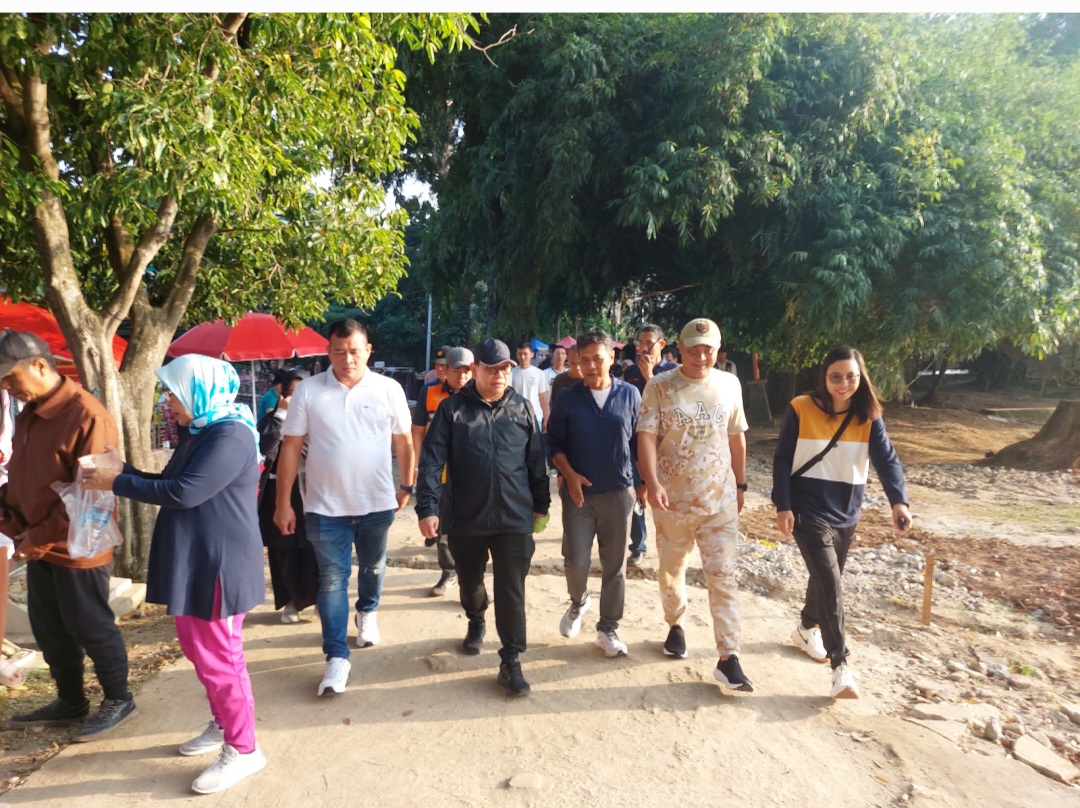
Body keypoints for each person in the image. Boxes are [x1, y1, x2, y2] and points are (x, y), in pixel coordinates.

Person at [80, 354, 266, 793]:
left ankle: (244, 748)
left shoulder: (230, 435)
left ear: (198, 392)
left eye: (174, 393)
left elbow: (183, 493)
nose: (168, 402)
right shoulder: (200, 431)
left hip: (218, 566)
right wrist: (121, 470)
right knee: (200, 651)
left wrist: (115, 482)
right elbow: (167, 480)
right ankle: (226, 723)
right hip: (197, 560)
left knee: (221, 660)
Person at [0, 329, 137, 739]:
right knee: (49, 627)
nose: (6, 387)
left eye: (9, 377)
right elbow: (24, 474)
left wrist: (35, 538)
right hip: (37, 540)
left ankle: (119, 698)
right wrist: (11, 516)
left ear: (40, 366)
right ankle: (71, 700)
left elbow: (91, 495)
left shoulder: (87, 415)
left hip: (78, 542)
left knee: (89, 623)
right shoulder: (29, 410)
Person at [273, 319, 414, 697]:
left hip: (376, 502)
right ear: (328, 352)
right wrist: (283, 502)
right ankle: (336, 657)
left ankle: (367, 611)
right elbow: (290, 448)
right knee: (332, 580)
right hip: (324, 506)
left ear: (368, 351)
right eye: (339, 351)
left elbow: (403, 440)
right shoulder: (309, 392)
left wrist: (407, 484)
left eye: (354, 351)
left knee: (373, 566)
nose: (347, 359)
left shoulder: (388, 389)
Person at [771, 345, 912, 699]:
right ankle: (841, 666)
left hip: (847, 510)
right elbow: (782, 458)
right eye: (835, 377)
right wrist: (783, 505)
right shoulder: (800, 407)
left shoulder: (869, 416)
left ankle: (806, 627)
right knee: (831, 581)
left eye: (851, 377)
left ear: (861, 378)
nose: (843, 384)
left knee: (825, 578)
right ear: (824, 377)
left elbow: (887, 459)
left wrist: (899, 501)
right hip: (806, 508)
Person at [415, 338, 550, 697]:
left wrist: (542, 503)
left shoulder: (522, 409)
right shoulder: (452, 410)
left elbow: (536, 461)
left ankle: (511, 660)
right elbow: (432, 461)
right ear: (476, 370)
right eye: (492, 369)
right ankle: (476, 618)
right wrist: (427, 507)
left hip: (514, 516)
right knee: (470, 581)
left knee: (511, 589)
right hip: (465, 516)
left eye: (505, 368)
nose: (499, 375)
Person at [637, 317, 754, 692]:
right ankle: (675, 623)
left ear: (718, 351)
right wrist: (652, 482)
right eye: (693, 349)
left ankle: (729, 657)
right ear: (681, 349)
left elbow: (736, 438)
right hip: (671, 501)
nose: (701, 356)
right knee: (672, 570)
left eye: (708, 350)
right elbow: (646, 437)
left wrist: (740, 483)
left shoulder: (729, 384)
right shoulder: (660, 386)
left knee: (723, 576)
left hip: (719, 501)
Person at [547, 329, 642, 657]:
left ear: (611, 358)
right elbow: (554, 444)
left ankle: (608, 627)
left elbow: (639, 443)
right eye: (584, 359)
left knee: (615, 565)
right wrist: (569, 475)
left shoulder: (630, 395)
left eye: (597, 359)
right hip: (578, 495)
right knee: (576, 559)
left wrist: (642, 485)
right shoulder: (568, 397)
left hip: (618, 493)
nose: (590, 366)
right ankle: (579, 601)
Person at [411, 347, 474, 596]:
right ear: (445, 370)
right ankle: (449, 571)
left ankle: (471, 579)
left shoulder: (480, 395)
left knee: (472, 527)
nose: (461, 376)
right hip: (439, 471)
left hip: (471, 473)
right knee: (442, 525)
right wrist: (417, 465)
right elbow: (418, 431)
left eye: (466, 370)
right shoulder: (430, 392)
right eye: (455, 370)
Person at [257, 369, 319, 623]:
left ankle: (319, 598)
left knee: (313, 547)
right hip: (279, 492)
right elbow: (265, 448)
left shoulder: (319, 421)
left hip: (311, 491)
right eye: (291, 393)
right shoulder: (273, 420)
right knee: (283, 549)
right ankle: (292, 601)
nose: (297, 398)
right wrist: (281, 415)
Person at [622, 325, 678, 565]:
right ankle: (638, 545)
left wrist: (650, 377)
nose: (643, 347)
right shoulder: (630, 372)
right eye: (641, 342)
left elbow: (673, 406)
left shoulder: (674, 371)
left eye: (649, 342)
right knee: (638, 493)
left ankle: (673, 545)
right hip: (638, 441)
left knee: (669, 496)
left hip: (667, 445)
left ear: (661, 344)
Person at [510, 341, 549, 432]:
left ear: (532, 354)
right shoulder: (511, 373)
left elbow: (543, 398)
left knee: (536, 441)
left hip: (535, 416)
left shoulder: (539, 373)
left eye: (525, 354)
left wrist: (546, 418)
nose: (522, 357)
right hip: (516, 417)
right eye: (520, 354)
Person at [548, 345, 583, 412]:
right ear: (568, 361)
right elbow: (554, 404)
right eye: (573, 363)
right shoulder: (559, 380)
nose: (577, 367)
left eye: (579, 363)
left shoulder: (590, 380)